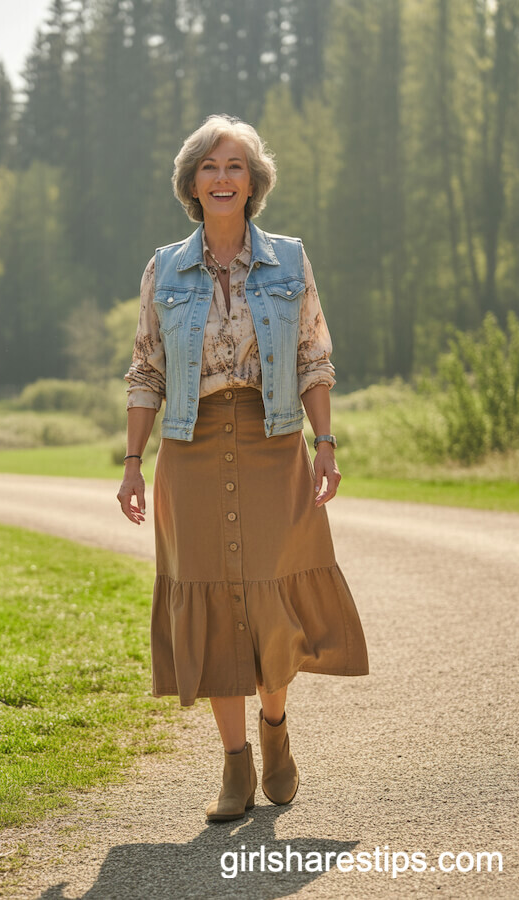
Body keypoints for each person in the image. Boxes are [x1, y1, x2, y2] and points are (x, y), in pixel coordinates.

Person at [117, 114, 368, 823]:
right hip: (189, 449)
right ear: (191, 184)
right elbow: (146, 368)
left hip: (273, 440)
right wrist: (134, 463)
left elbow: (314, 357)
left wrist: (326, 445)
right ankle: (234, 763)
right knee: (207, 597)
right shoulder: (164, 268)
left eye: (235, 167)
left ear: (253, 182)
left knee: (268, 596)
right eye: (210, 167)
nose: (223, 178)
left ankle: (276, 727)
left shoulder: (289, 260)